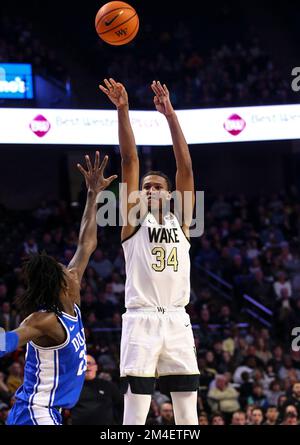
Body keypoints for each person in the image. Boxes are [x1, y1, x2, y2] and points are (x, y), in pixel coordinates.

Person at [99, 78, 200, 425]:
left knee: (188, 413)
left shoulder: (182, 220)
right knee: (135, 414)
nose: (151, 189)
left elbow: (185, 168)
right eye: (146, 187)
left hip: (176, 318)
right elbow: (129, 158)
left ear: (169, 195)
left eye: (158, 186)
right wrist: (123, 110)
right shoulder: (131, 221)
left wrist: (170, 115)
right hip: (141, 318)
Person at [0, 152, 117, 425]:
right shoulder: (44, 320)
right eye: (67, 272)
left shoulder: (71, 292)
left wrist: (93, 194)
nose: (74, 271)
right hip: (35, 411)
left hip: (48, 412)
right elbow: (7, 343)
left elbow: (86, 244)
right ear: (61, 286)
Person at [71, 354, 122, 425]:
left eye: (89, 363)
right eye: (83, 364)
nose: (86, 366)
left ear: (96, 367)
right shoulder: (72, 387)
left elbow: (121, 405)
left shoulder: (108, 386)